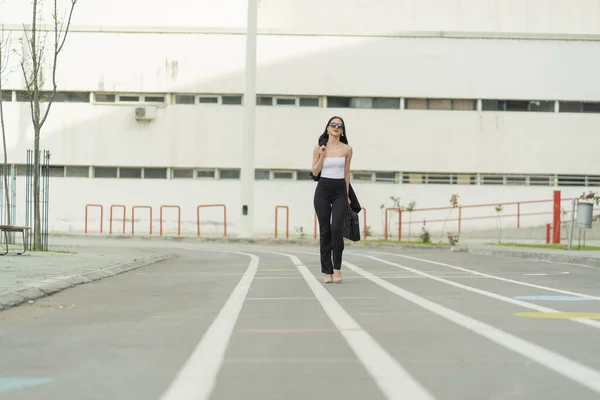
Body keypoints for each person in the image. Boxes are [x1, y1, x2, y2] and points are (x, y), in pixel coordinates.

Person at [311, 116, 353, 284]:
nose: (336, 127)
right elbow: (314, 172)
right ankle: (327, 271)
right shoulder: (319, 148)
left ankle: (337, 268)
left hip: (340, 192)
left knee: (336, 228)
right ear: (328, 128)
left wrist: (348, 195)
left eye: (339, 125)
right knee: (325, 231)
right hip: (322, 191)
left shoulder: (347, 149)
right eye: (333, 124)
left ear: (342, 130)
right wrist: (321, 156)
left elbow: (347, 173)